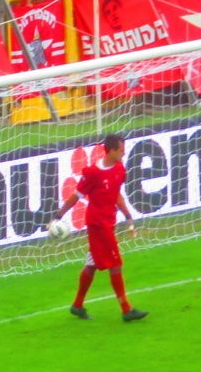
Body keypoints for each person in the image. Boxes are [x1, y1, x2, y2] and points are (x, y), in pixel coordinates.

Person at [57, 134, 147, 322]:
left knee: (92, 264)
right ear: (111, 150)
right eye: (121, 150)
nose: (123, 153)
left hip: (109, 222)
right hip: (97, 224)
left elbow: (116, 195)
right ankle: (126, 309)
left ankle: (77, 305)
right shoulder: (93, 173)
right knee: (116, 264)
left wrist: (128, 215)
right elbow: (77, 195)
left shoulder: (120, 169)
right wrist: (59, 215)